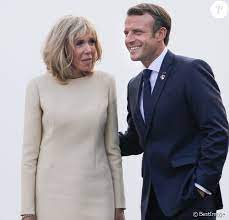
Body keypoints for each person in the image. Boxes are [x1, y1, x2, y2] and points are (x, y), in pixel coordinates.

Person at [119, 3, 228, 220]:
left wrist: (201, 185)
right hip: (152, 202)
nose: (129, 39)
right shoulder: (134, 85)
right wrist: (93, 138)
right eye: (126, 32)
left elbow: (217, 131)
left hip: (192, 200)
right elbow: (136, 140)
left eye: (137, 32)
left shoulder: (191, 71)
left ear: (161, 33)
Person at [21, 15, 125, 220]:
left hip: (99, 196)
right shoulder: (38, 87)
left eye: (92, 41)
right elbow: (29, 156)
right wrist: (27, 211)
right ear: (62, 48)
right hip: (51, 199)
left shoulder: (106, 83)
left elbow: (112, 149)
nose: (89, 49)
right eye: (79, 43)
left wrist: (119, 205)